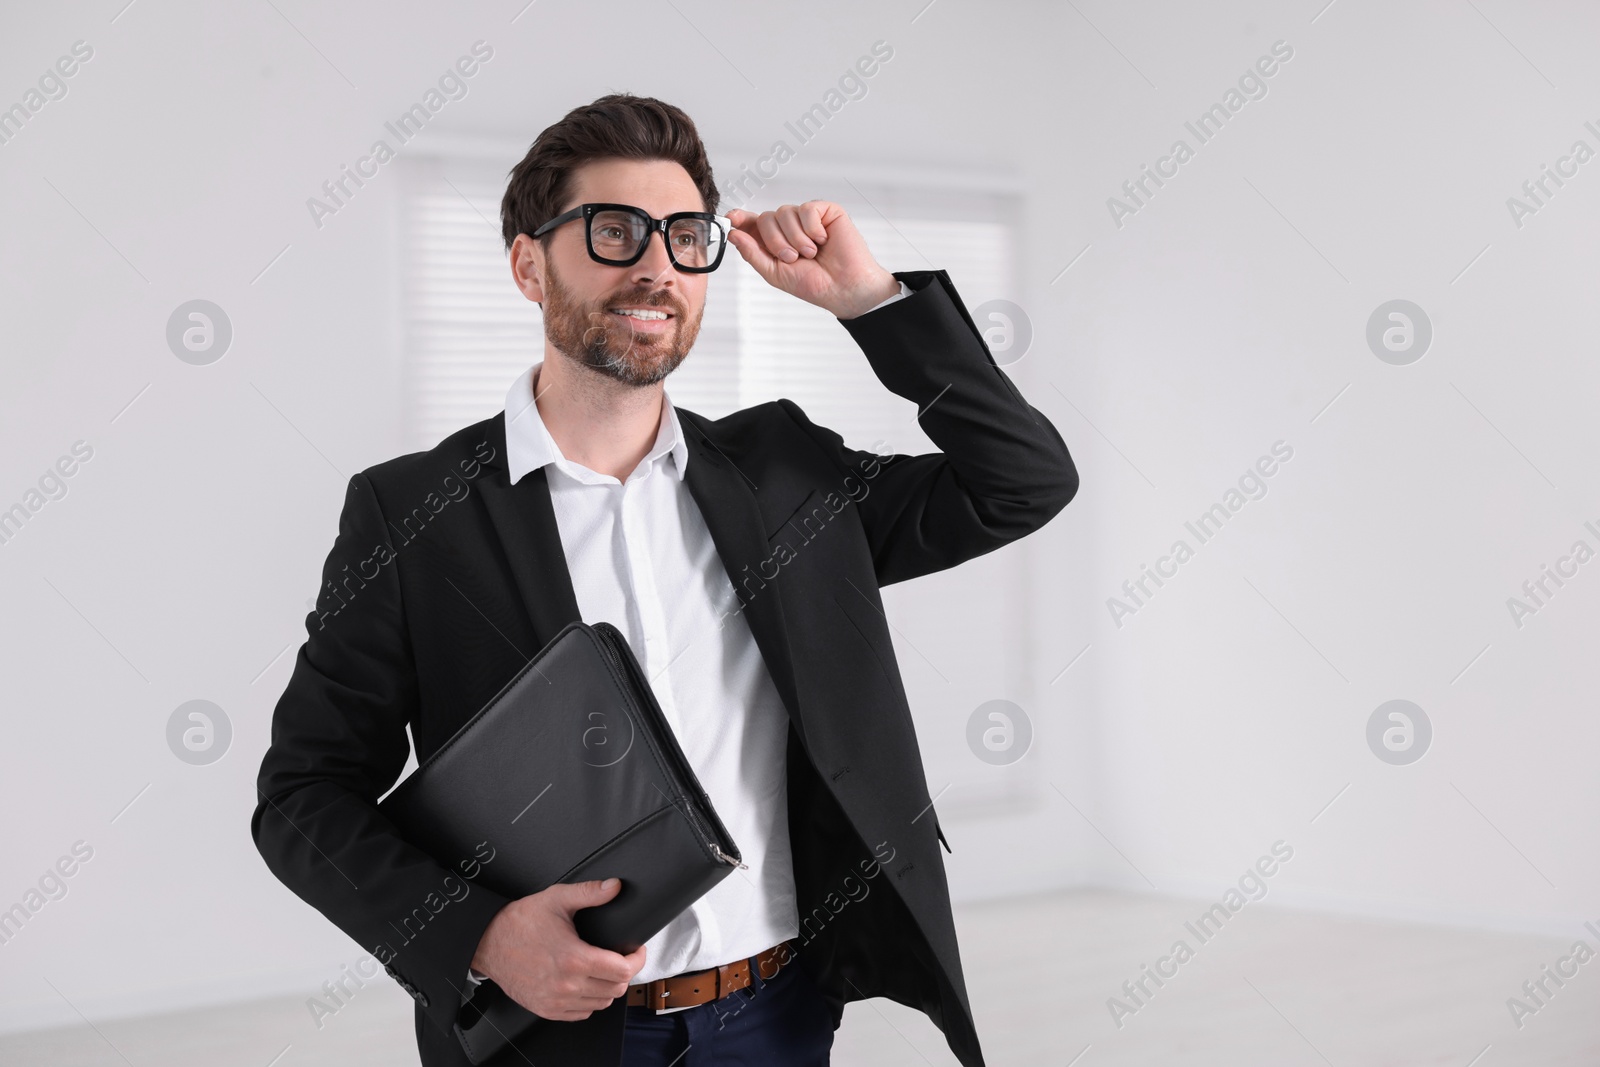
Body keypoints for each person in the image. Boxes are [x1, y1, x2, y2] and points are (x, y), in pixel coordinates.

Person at [251, 93, 1078, 1067]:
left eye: (686, 237)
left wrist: (874, 303)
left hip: (778, 1012)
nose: (656, 265)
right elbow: (304, 794)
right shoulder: (416, 514)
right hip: (549, 1037)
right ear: (528, 263)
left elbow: (1022, 480)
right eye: (614, 231)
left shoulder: (785, 475)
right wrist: (477, 934)